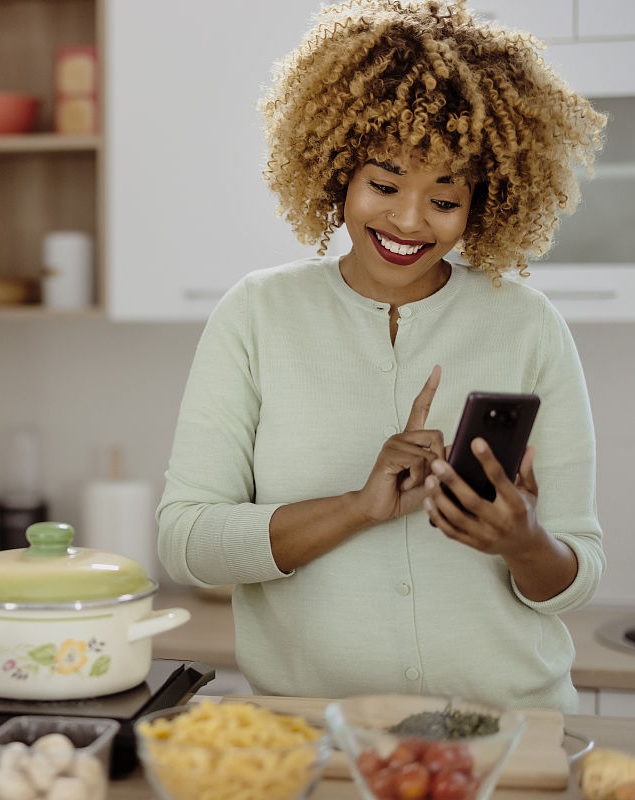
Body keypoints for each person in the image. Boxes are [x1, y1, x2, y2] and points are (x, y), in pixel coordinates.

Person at [156, 0, 606, 712]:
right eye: (385, 184)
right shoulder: (257, 314)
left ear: (483, 203)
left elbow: (577, 574)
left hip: (508, 732)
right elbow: (188, 544)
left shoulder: (528, 325)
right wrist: (357, 508)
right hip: (315, 734)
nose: (406, 220)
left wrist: (522, 541)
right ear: (339, 172)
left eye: (444, 199)